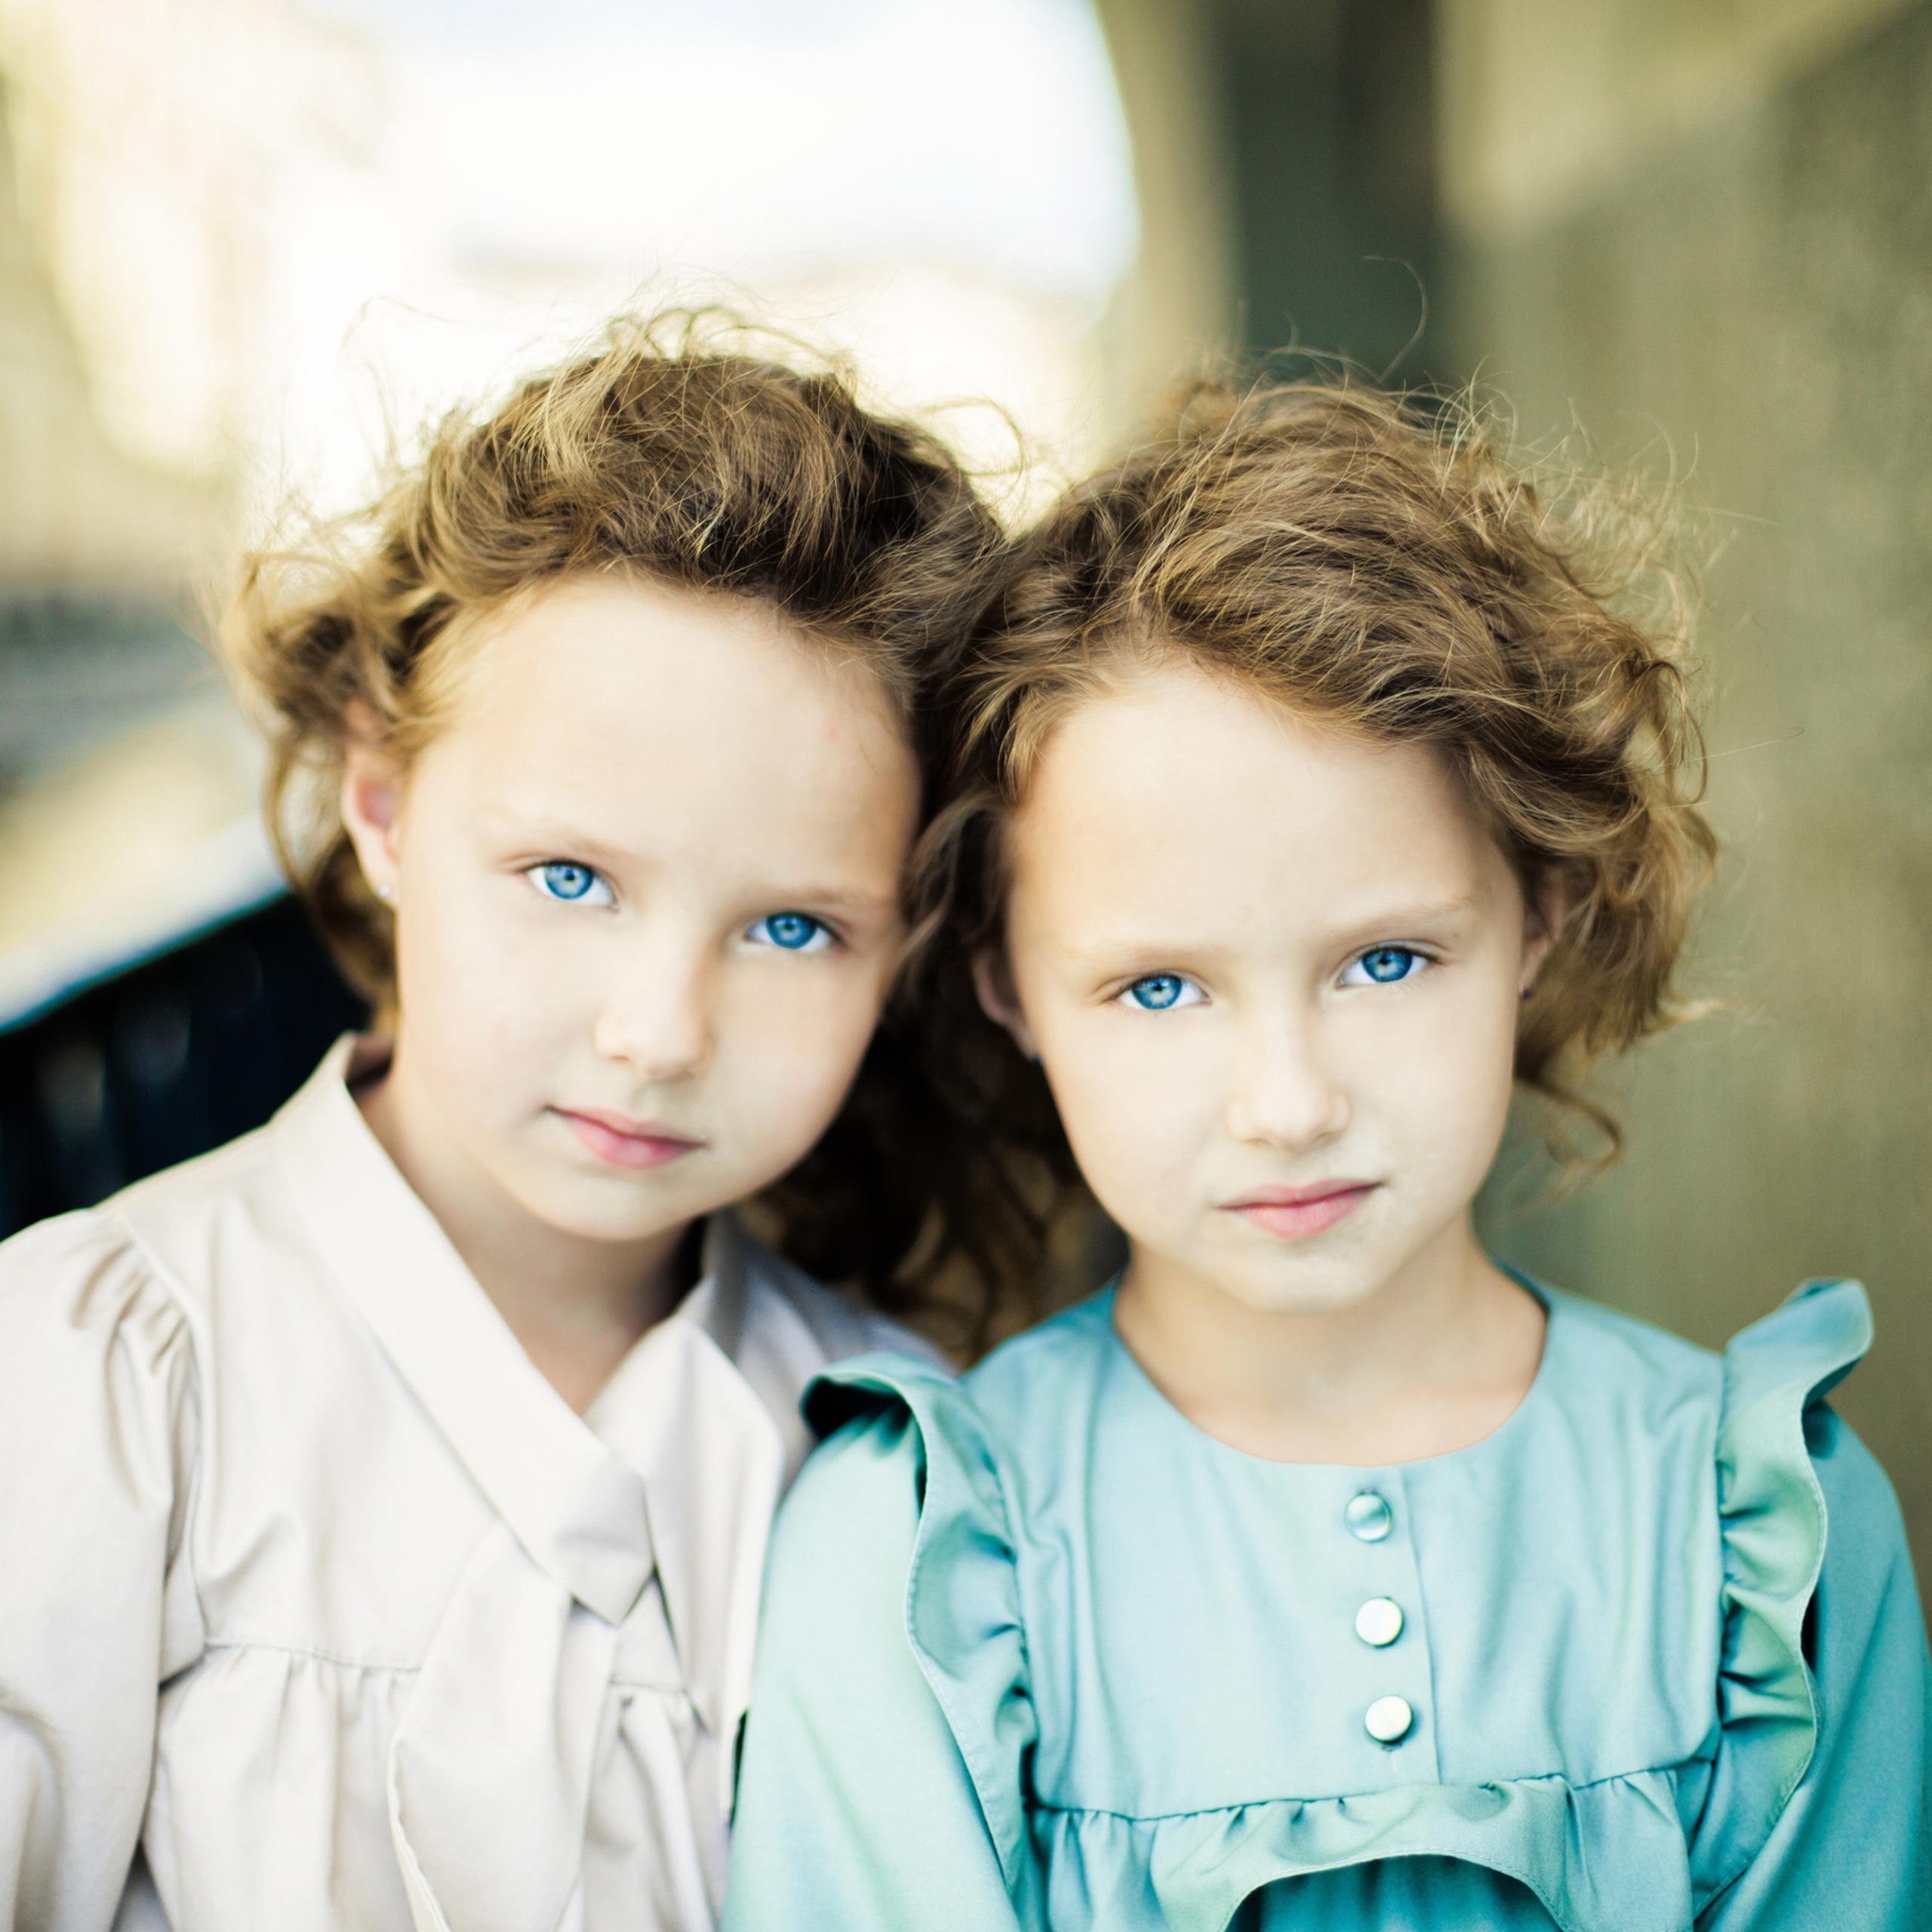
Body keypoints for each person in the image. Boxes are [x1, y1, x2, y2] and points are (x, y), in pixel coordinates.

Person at [722, 378, 1932, 1930]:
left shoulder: (1765, 1538)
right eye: (1156, 986)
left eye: (1383, 961)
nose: (1285, 1102)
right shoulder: (917, 1561)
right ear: (1005, 983)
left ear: (1536, 914)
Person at [0, 315, 1041, 1932]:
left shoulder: (889, 1452)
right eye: (570, 879)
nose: (658, 1031)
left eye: (789, 928)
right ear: (386, 805)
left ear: (903, 944)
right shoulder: (108, 1375)